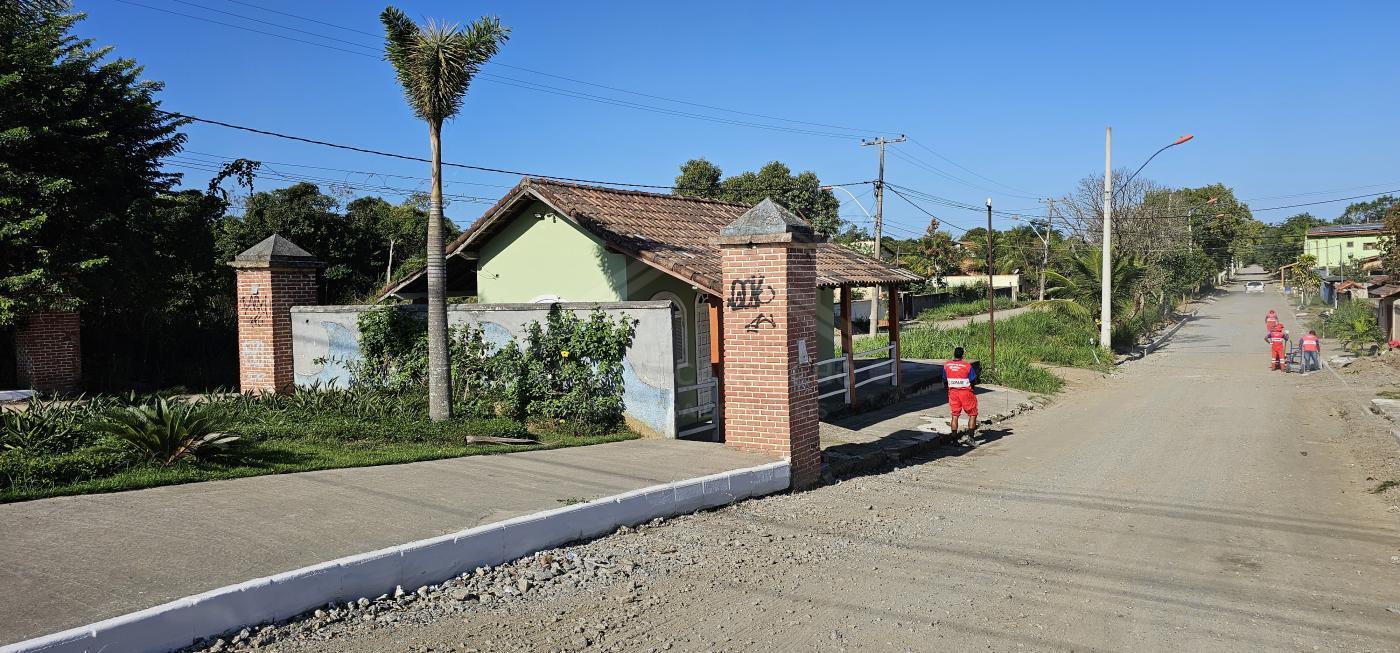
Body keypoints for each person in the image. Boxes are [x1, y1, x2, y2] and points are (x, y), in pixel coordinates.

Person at [943, 347, 978, 444]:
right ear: (963, 355)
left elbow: (945, 380)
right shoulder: (967, 365)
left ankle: (954, 440)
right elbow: (973, 380)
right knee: (972, 414)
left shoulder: (946, 365)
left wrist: (948, 391)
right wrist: (972, 390)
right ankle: (971, 439)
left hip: (953, 392)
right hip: (966, 392)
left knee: (955, 415)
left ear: (954, 354)